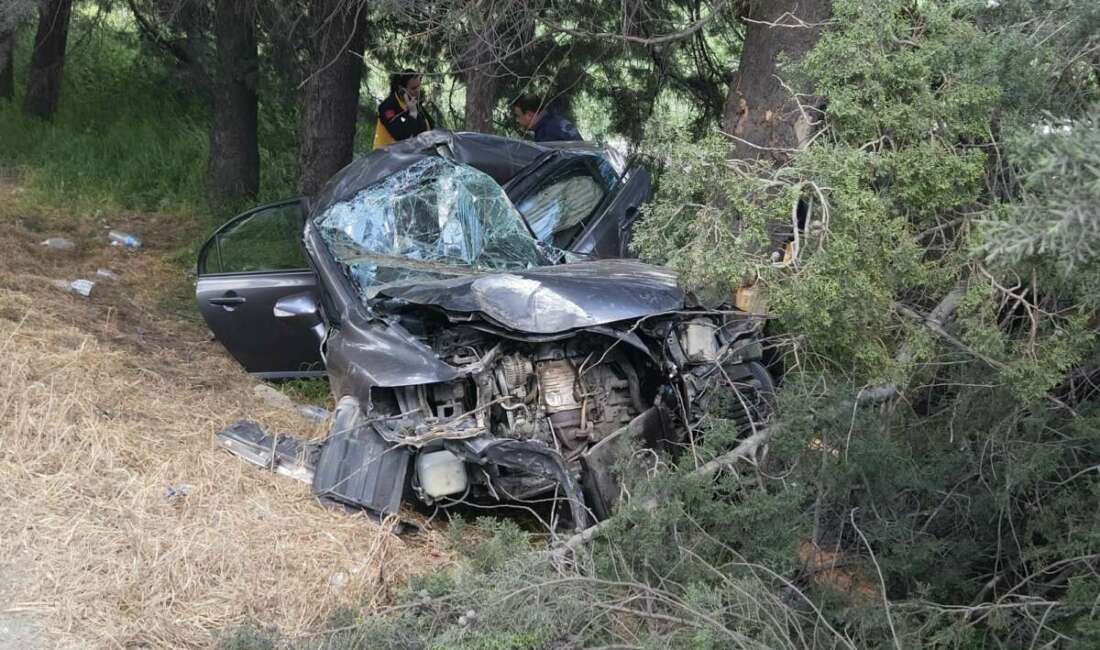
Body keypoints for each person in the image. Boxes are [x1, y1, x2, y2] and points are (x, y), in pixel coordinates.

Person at [372, 71, 434, 150]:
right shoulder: (387, 107)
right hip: (385, 154)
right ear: (402, 90)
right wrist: (412, 114)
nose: (418, 91)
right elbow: (401, 135)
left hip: (406, 153)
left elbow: (426, 128)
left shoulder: (415, 104)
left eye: (419, 86)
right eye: (413, 88)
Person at [511, 93, 582, 142]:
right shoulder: (555, 121)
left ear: (530, 114)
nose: (517, 120)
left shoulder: (546, 132)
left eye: (518, 116)